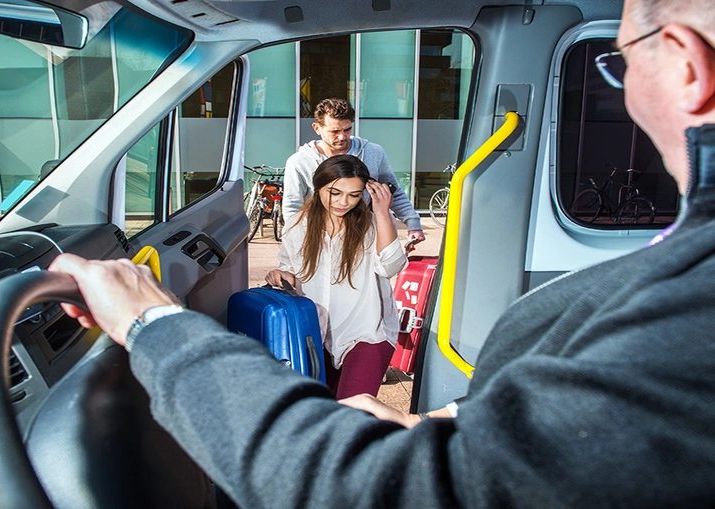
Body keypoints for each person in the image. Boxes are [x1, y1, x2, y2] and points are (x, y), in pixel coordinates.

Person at [49, 0, 715, 504]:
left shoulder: (687, 307)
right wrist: (454, 422)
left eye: (620, 59)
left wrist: (154, 321)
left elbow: (363, 483)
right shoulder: (681, 276)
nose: (619, 85)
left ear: (686, 66)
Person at [263, 155, 407, 399]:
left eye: (354, 194)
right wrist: (282, 275)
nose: (343, 202)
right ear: (318, 186)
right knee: (323, 413)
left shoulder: (372, 224)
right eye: (335, 192)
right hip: (314, 335)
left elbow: (391, 266)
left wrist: (382, 213)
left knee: (353, 411)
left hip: (366, 334)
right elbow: (290, 268)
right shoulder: (297, 226)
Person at [283, 98, 427, 244]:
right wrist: (292, 242)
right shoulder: (299, 162)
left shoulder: (373, 152)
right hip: (321, 239)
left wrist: (413, 224)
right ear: (317, 128)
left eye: (347, 129)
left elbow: (392, 191)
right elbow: (292, 205)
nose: (342, 136)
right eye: (334, 131)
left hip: (366, 236)